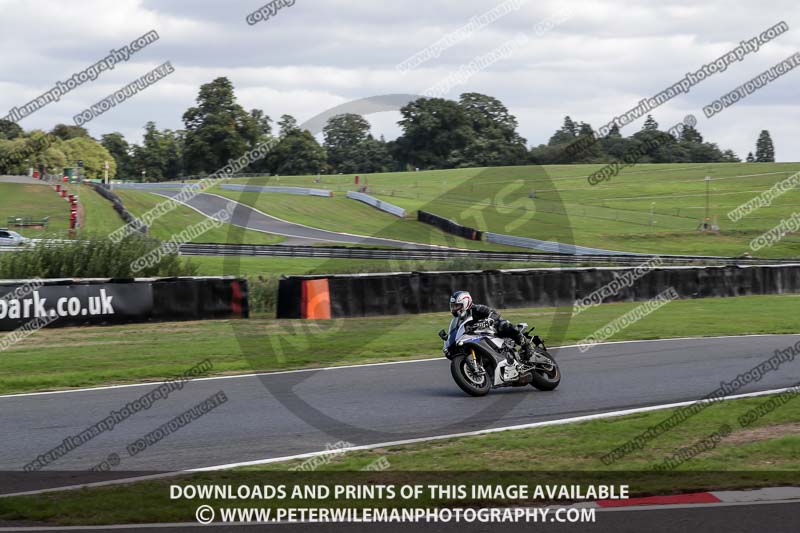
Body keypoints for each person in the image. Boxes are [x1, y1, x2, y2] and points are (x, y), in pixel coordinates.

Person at [449, 290, 533, 361]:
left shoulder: (477, 308)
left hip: (493, 329)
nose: (454, 309)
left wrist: (489, 320)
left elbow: (494, 313)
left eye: (457, 306)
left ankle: (526, 344)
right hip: (479, 337)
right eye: (453, 306)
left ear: (465, 303)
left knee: (504, 326)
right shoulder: (459, 320)